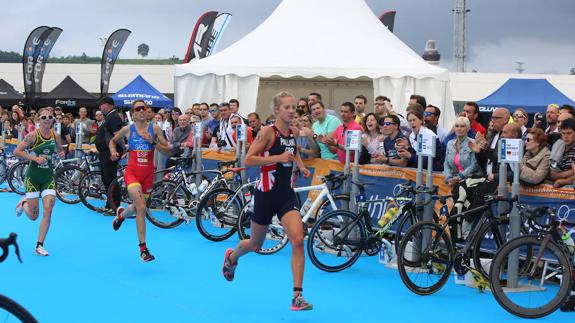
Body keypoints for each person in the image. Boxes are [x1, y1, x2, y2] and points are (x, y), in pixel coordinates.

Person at [222, 91, 313, 311]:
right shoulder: (267, 133)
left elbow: (295, 151)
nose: (292, 112)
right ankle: (232, 257)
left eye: (294, 108)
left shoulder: (292, 132)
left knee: (298, 239)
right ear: (276, 110)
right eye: (287, 108)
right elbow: (249, 159)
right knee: (255, 244)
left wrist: (300, 166)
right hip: (265, 194)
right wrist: (278, 158)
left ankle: (297, 297)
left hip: (285, 194)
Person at [109, 100, 170, 262]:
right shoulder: (128, 129)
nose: (143, 110)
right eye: (139, 108)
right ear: (133, 113)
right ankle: (143, 249)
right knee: (141, 207)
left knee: (137, 208)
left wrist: (153, 142)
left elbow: (168, 150)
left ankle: (121, 215)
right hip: (132, 173)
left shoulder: (155, 129)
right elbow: (112, 141)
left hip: (148, 175)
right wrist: (113, 152)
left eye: (145, 108)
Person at [14, 108, 65, 256]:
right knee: (33, 216)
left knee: (48, 210)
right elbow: (17, 151)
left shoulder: (55, 135)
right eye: (44, 117)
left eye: (50, 117)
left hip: (48, 177)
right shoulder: (31, 136)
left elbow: (59, 150)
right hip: (33, 178)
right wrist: (35, 158)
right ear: (38, 119)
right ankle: (23, 204)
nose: (48, 119)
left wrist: (60, 153)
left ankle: (39, 245)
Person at [94, 96, 125, 214]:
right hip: (106, 152)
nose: (100, 107)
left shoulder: (114, 118)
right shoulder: (110, 117)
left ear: (108, 105)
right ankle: (109, 204)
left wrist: (119, 151)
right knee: (106, 179)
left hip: (111, 153)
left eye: (102, 105)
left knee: (110, 179)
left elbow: (118, 135)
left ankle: (115, 206)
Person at [443, 117, 480, 188]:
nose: (459, 129)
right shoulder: (450, 143)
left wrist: (460, 177)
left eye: (462, 126)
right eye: (457, 126)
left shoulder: (472, 142)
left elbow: (475, 164)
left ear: (468, 128)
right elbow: (446, 163)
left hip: (470, 179)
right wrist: (448, 177)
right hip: (453, 178)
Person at [549, 118, 575, 187]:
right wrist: (567, 174)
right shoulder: (558, 146)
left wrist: (562, 181)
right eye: (563, 133)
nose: (566, 136)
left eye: (569, 133)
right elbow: (552, 174)